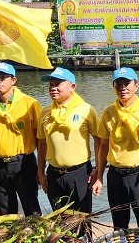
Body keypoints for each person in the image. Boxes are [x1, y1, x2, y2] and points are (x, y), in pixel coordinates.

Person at [96, 67, 139, 229]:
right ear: (113, 86)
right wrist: (99, 176)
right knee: (118, 220)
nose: (123, 88)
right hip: (115, 174)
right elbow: (103, 145)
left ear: (136, 86)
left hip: (138, 174)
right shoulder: (107, 112)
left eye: (127, 84)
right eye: (118, 84)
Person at [0, 62, 42, 216]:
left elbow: (40, 139)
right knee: (6, 211)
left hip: (23, 162)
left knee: (31, 208)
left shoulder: (30, 104)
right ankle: (12, 238)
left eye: (2, 77)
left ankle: (35, 238)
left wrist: (41, 170)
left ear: (13, 80)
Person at [37, 67, 100, 214]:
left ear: (72, 87)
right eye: (51, 84)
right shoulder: (45, 112)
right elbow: (41, 143)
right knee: (59, 220)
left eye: (58, 84)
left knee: (82, 219)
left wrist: (98, 169)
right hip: (54, 174)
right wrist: (40, 172)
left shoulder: (87, 110)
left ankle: (83, 238)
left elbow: (99, 141)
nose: (53, 88)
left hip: (79, 173)